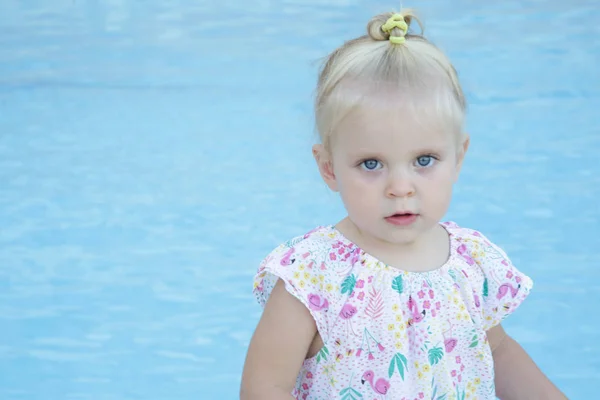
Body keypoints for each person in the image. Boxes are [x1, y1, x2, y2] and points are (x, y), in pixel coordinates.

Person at [240, 8, 566, 400]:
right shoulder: (313, 274)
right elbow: (265, 387)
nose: (400, 188)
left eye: (424, 161)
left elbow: (498, 352)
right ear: (329, 168)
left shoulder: (469, 263)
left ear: (458, 159)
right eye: (371, 164)